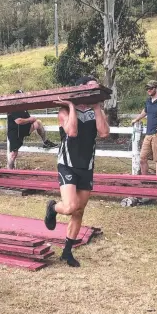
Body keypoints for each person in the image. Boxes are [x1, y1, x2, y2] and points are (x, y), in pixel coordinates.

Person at [44, 76, 110, 267]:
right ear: (80, 89)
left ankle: (67, 252)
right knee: (70, 206)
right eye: (90, 88)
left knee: (79, 211)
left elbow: (104, 133)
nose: (93, 91)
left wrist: (97, 108)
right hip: (67, 164)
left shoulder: (94, 110)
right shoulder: (64, 110)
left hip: (86, 165)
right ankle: (53, 208)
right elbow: (71, 132)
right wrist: (72, 106)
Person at [7, 90, 58, 169]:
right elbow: (18, 121)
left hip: (24, 129)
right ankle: (9, 170)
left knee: (38, 123)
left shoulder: (23, 107)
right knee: (13, 154)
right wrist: (30, 119)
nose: (23, 98)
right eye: (21, 96)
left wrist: (32, 120)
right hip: (15, 132)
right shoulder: (13, 107)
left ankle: (45, 142)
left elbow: (27, 119)